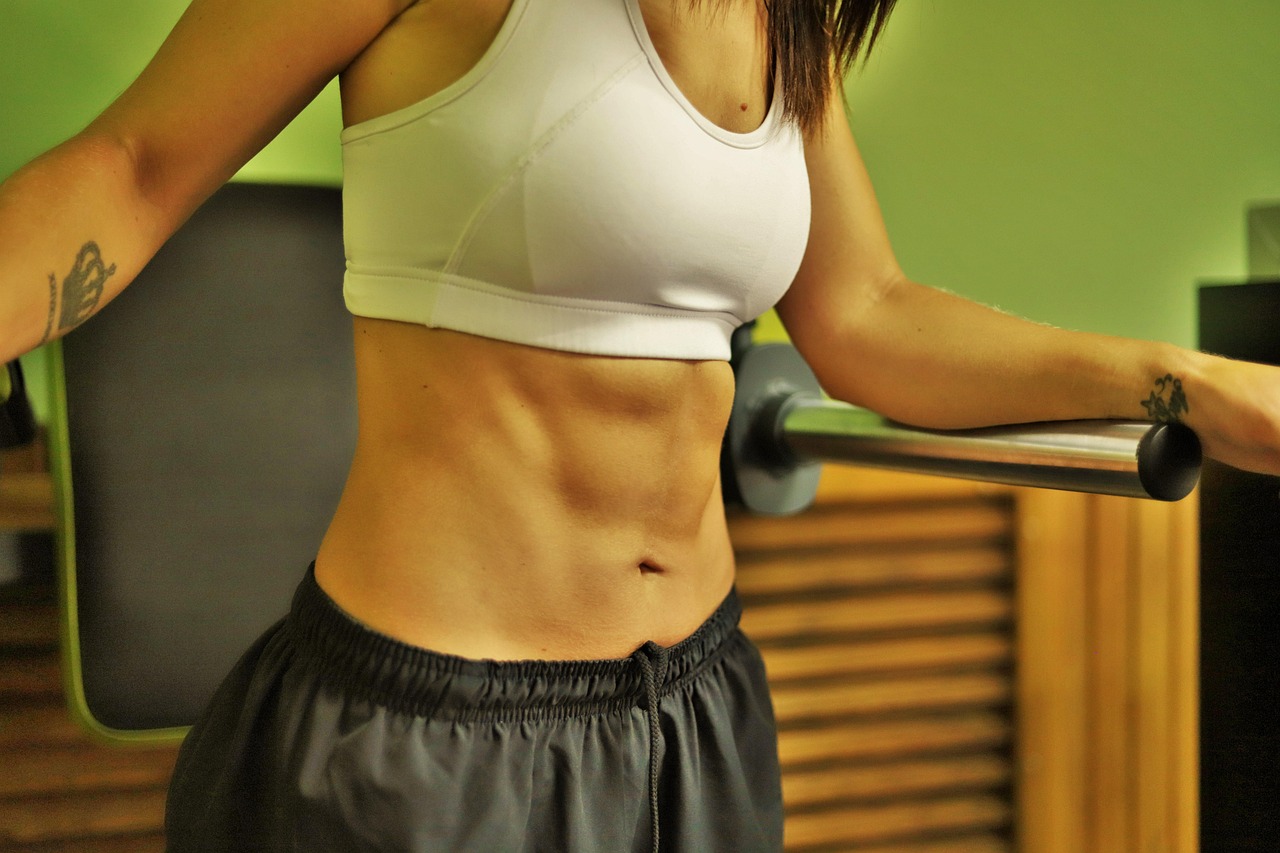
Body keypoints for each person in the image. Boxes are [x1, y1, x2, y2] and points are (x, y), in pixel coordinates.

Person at [2, 0, 1278, 849]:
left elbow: (867, 314)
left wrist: (1186, 380)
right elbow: (128, 166)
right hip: (432, 750)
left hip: (696, 714)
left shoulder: (778, 23)